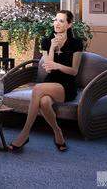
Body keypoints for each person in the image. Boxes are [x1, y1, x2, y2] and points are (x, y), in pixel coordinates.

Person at [9, 10, 83, 153]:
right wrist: (52, 47)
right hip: (51, 82)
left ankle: (24, 134)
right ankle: (58, 132)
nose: (57, 23)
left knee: (37, 89)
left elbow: (74, 71)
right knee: (44, 102)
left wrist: (57, 66)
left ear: (69, 25)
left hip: (66, 85)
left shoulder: (76, 43)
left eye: (61, 21)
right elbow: (48, 68)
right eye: (55, 20)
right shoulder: (46, 41)